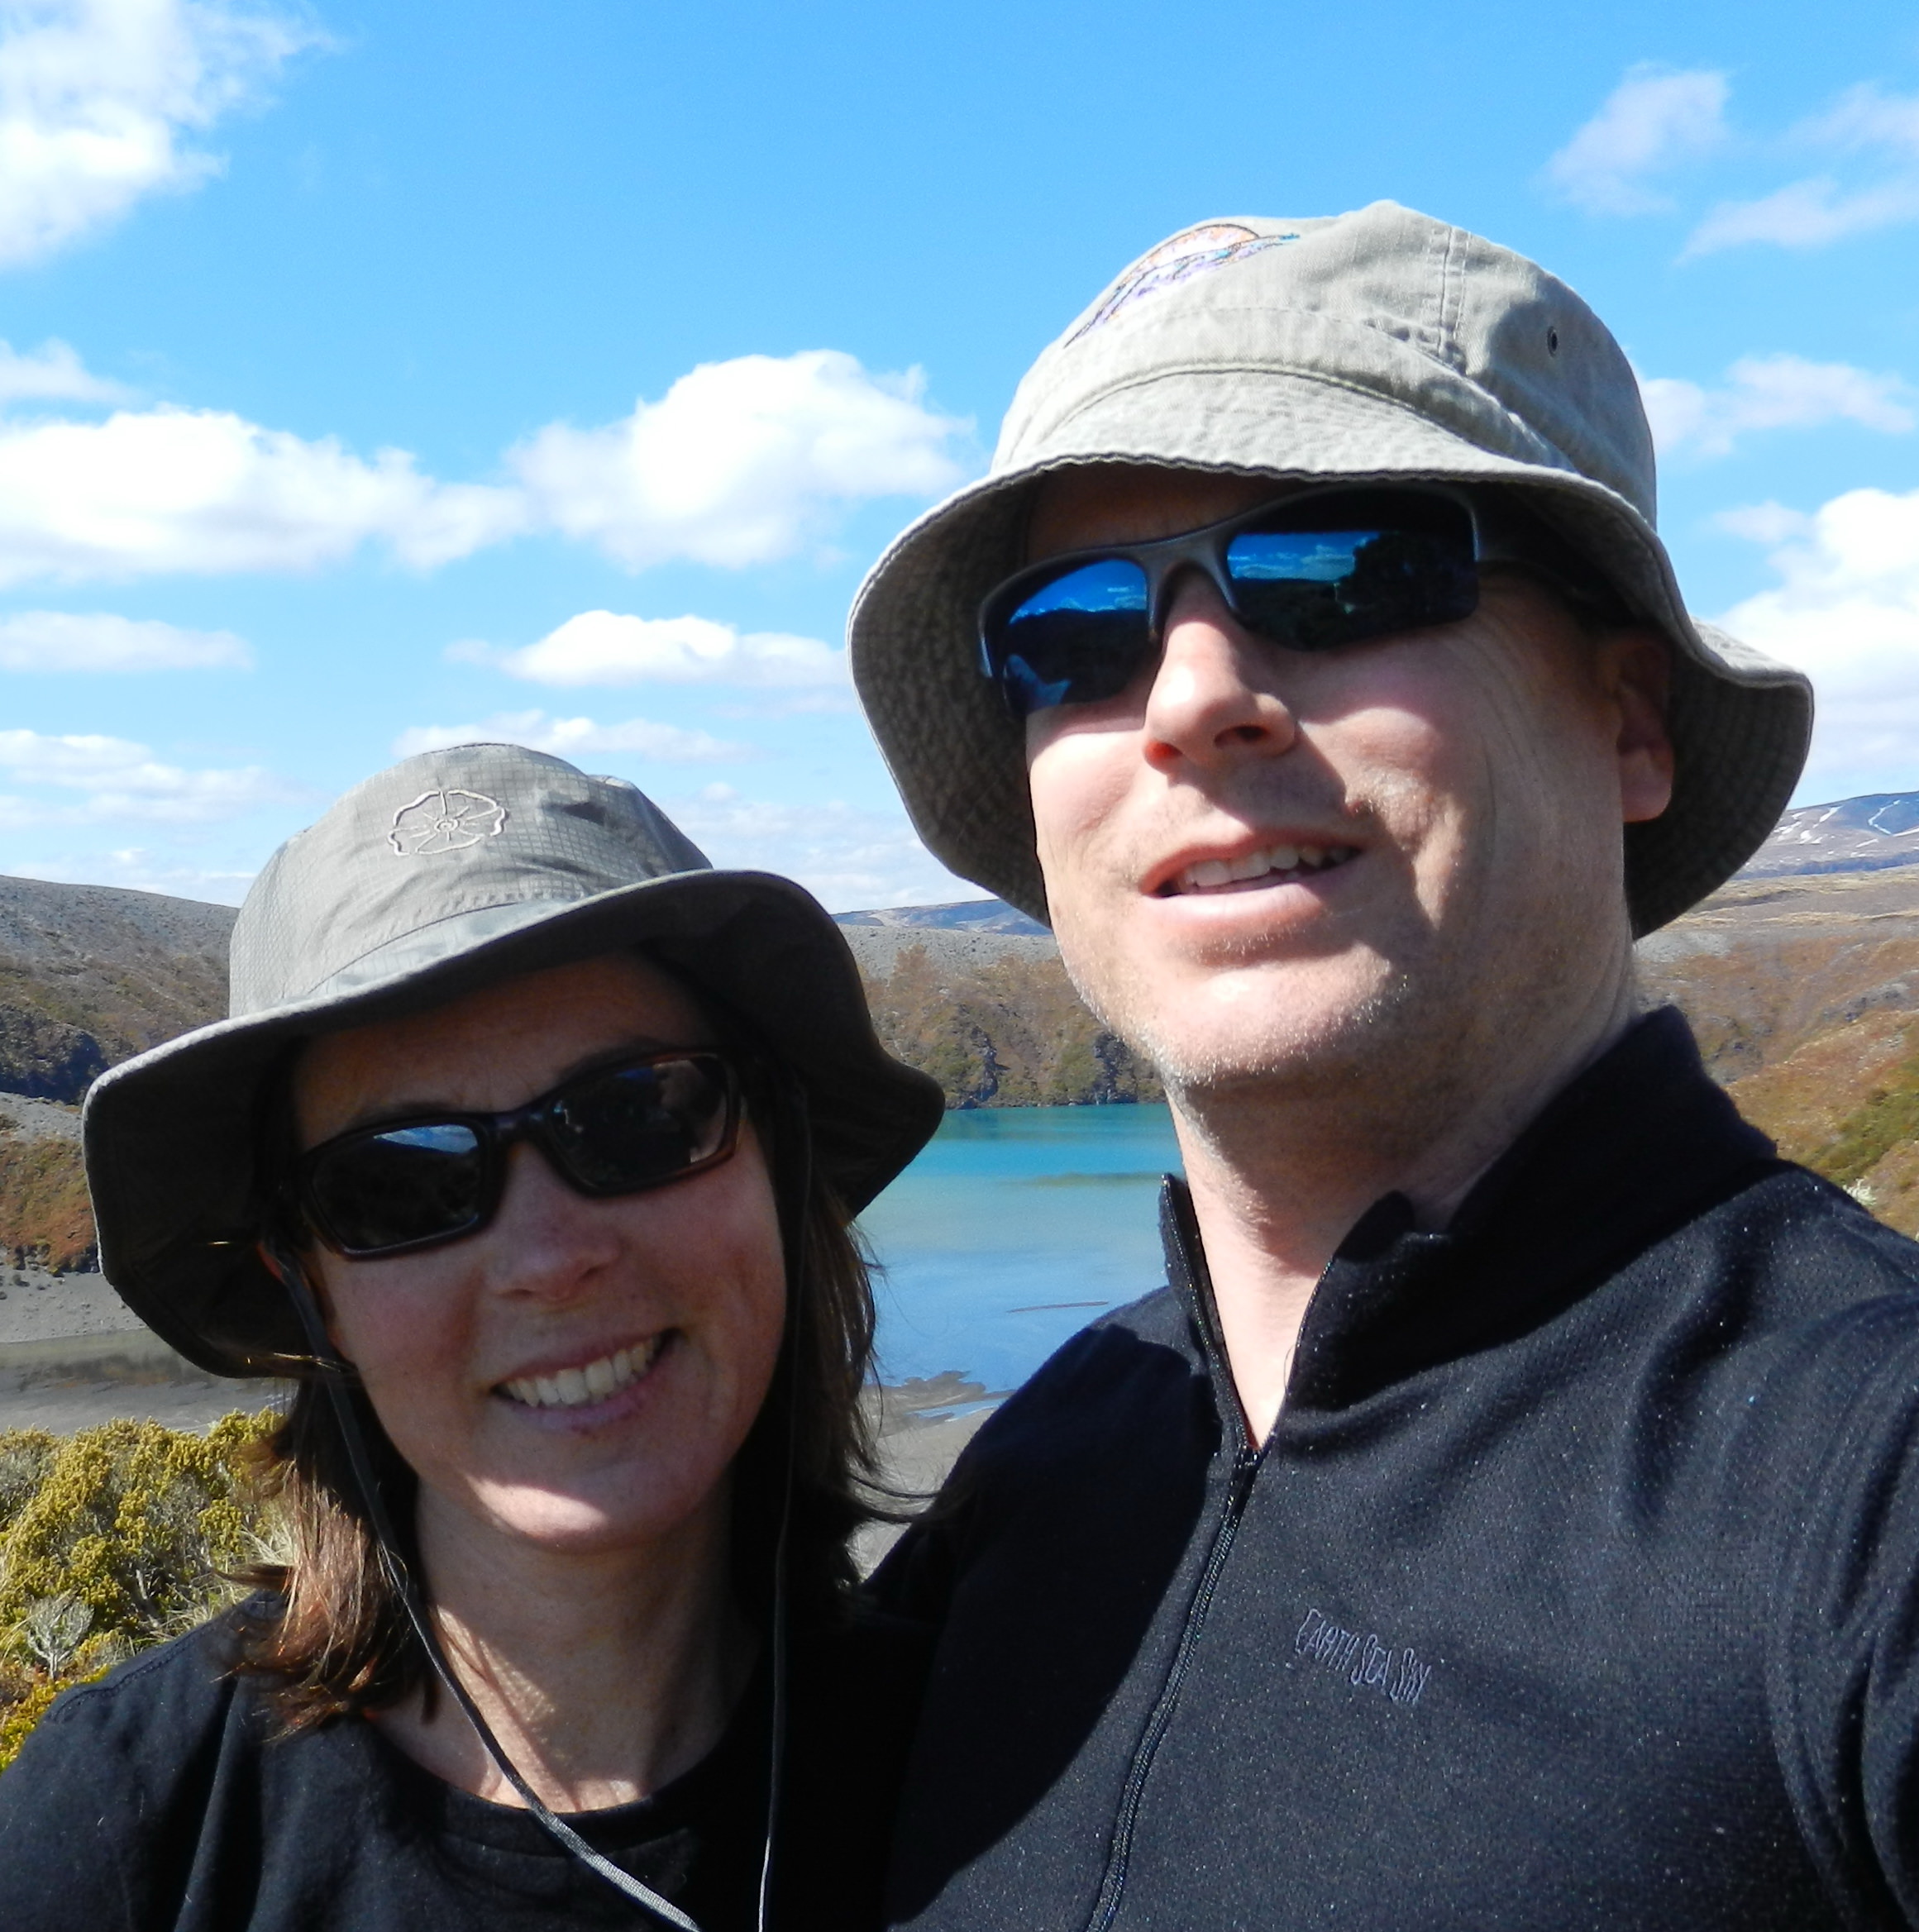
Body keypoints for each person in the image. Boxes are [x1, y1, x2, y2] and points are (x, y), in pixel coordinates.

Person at [849, 203, 1919, 1927]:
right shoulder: (1043, 1476)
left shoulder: (1864, 1485)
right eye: (1073, 630)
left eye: (1342, 565)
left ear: (1631, 719)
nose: (1196, 691)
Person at [0, 743, 944, 1932]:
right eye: (400, 1184)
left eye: (638, 1115)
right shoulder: (130, 1826)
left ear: (774, 1155)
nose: (550, 1257)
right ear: (309, 1288)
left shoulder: (1009, 1770)